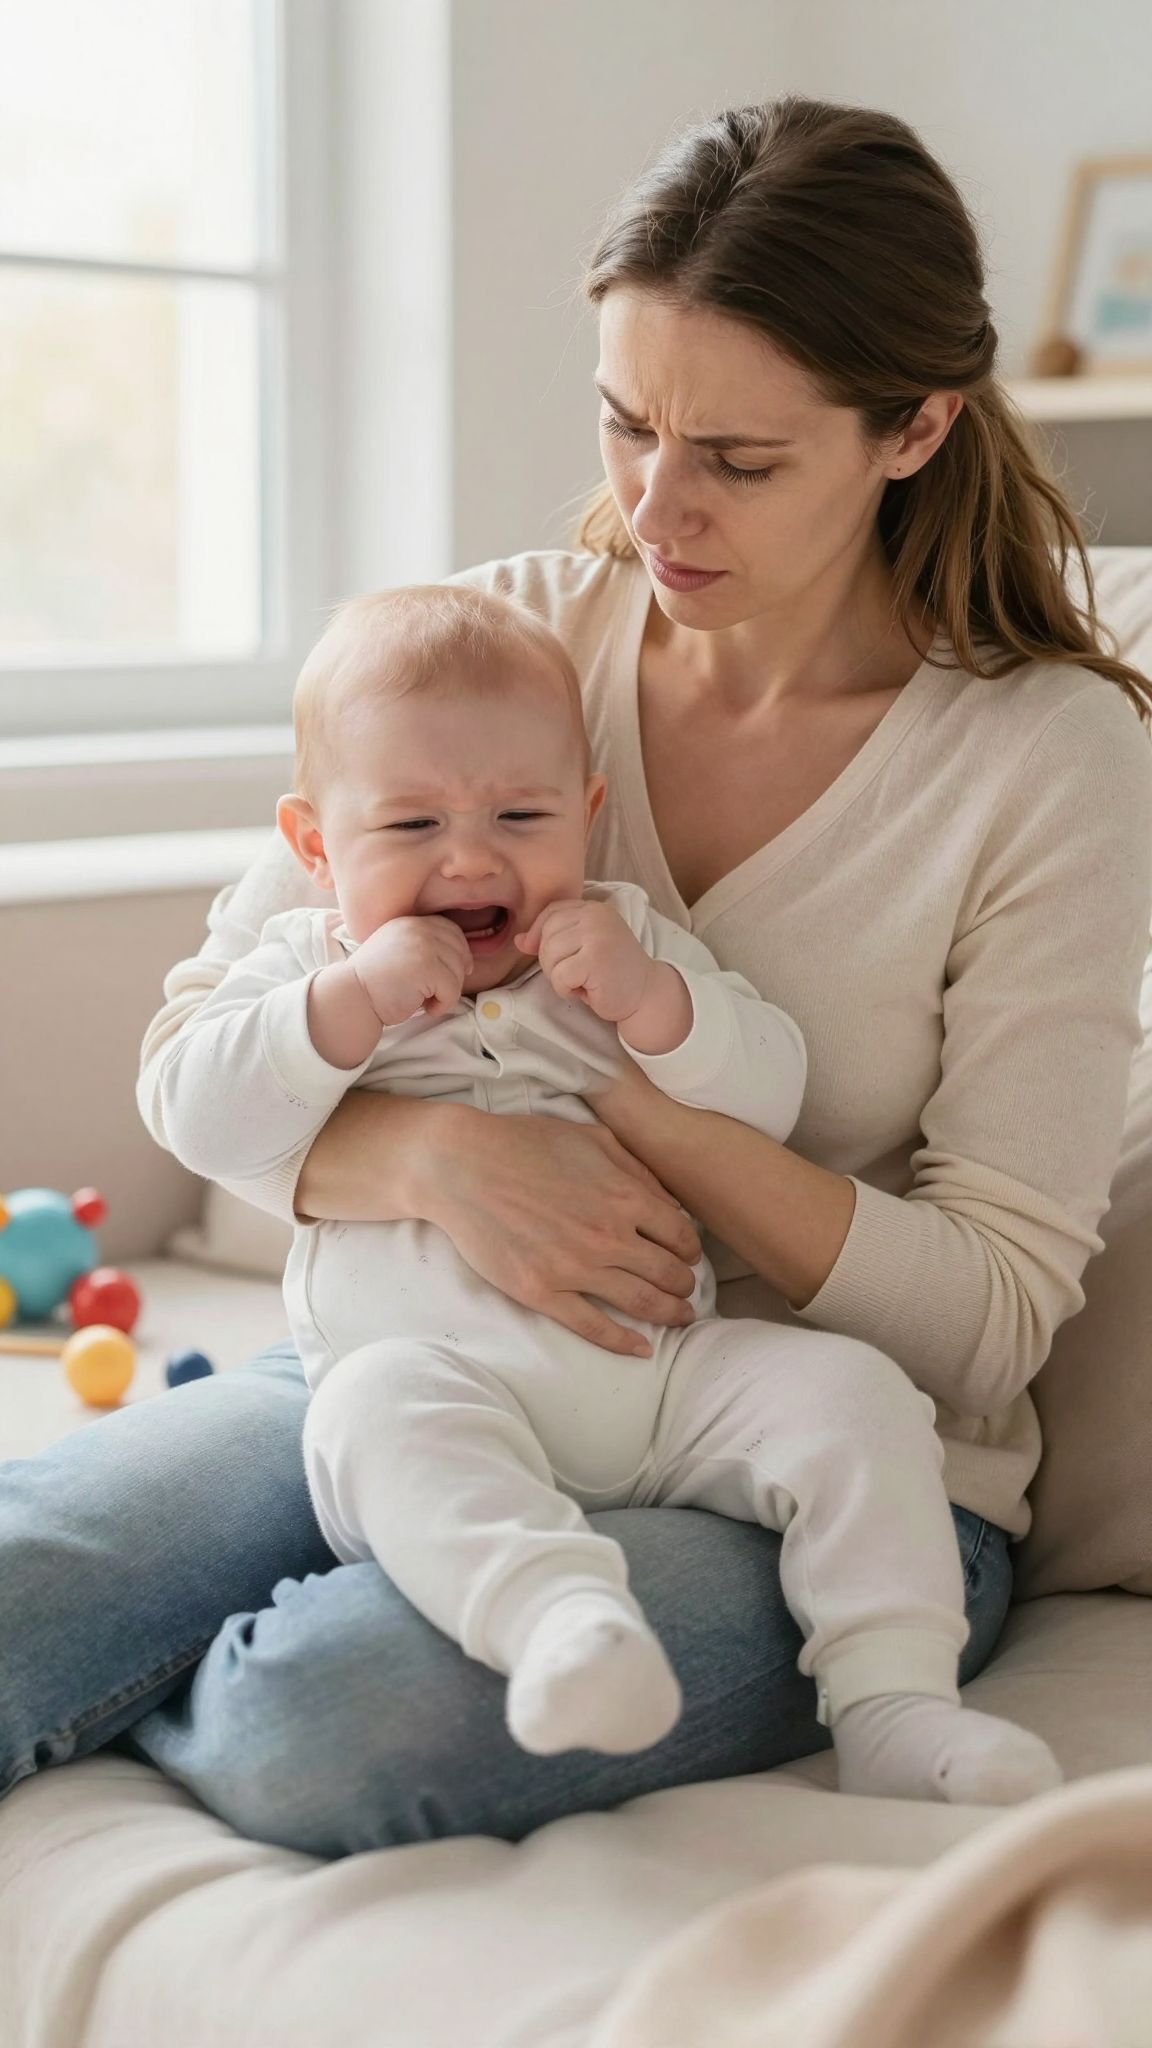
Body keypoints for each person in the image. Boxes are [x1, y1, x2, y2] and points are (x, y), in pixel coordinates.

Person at [2, 96, 1149, 1858]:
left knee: (320, 1715)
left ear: (912, 426)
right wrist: (437, 1159)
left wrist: (623, 1102)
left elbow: (995, 1307)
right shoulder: (506, 636)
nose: (654, 508)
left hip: (805, 1461)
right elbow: (202, 1039)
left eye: (737, 460)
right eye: (625, 424)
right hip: (422, 1356)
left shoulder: (1045, 754)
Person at [148, 580, 1062, 1801]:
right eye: (411, 827)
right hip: (443, 1376)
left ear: (587, 811)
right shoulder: (303, 970)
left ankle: (896, 1707)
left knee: (853, 1397)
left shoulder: (621, 936)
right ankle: (562, 1621)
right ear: (316, 846)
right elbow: (191, 1113)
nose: (471, 857)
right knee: (369, 1416)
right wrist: (343, 1009)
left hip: (670, 1367)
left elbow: (769, 1091)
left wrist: (657, 1008)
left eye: (520, 814)